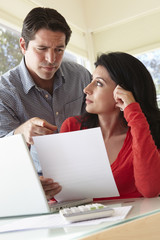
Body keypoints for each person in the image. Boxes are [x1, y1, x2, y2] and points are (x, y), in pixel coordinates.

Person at [0, 7, 91, 200]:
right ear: (23, 45)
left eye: (59, 50)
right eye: (42, 49)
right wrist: (20, 134)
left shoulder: (80, 76)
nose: (52, 60)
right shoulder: (4, 92)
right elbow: (3, 155)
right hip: (34, 192)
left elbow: (98, 124)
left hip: (88, 179)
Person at [60, 52, 160, 199]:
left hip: (135, 220)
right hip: (83, 220)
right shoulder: (72, 128)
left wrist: (134, 113)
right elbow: (62, 192)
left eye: (99, 83)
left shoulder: (145, 134)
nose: (86, 89)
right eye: (91, 80)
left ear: (124, 93)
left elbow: (150, 190)